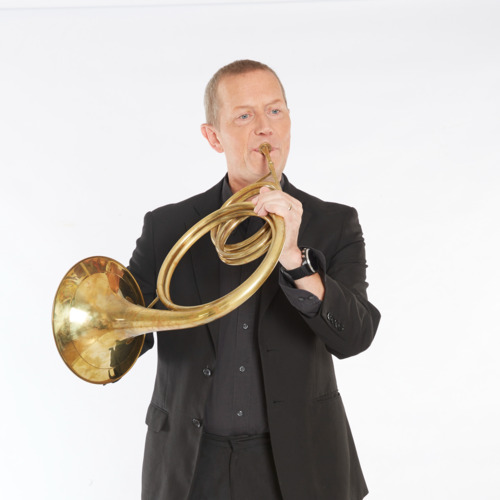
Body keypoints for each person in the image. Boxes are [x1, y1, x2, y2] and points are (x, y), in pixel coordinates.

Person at [128, 59, 381, 500]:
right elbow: (129, 330)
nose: (265, 129)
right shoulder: (168, 228)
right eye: (244, 116)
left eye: (275, 111)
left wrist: (294, 259)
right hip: (189, 466)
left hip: (300, 466)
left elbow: (355, 336)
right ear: (213, 136)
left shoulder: (334, 223)